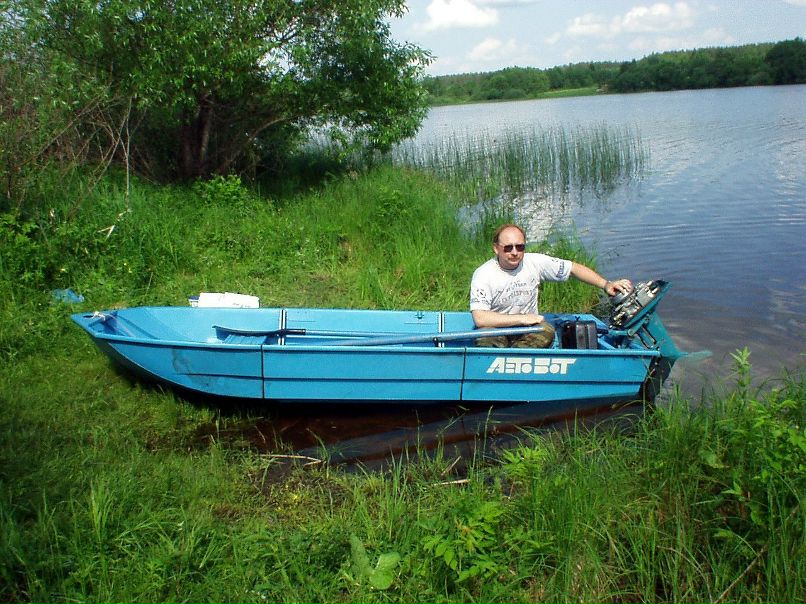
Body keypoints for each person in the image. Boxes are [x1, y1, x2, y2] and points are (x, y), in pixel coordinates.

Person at [470, 223, 633, 348]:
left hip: (529, 329)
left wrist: (605, 284)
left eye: (520, 247)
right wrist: (522, 318)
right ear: (496, 248)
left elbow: (573, 269)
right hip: (497, 329)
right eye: (508, 248)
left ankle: (521, 367)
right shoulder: (484, 274)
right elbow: (480, 318)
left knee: (546, 331)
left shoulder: (535, 262)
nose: (514, 252)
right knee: (486, 337)